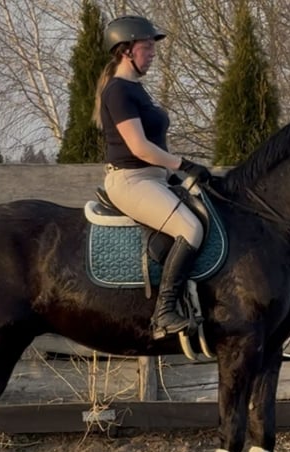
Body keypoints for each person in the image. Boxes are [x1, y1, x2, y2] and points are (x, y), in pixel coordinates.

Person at [92, 15, 212, 340]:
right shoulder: (118, 92)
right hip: (131, 181)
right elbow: (140, 147)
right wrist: (184, 165)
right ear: (126, 50)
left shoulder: (136, 90)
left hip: (155, 178)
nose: (153, 53)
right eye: (147, 47)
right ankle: (165, 314)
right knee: (190, 228)